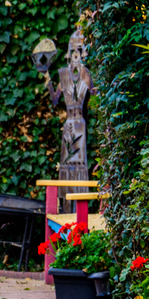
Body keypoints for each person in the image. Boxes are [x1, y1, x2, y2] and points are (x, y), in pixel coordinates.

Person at [43, 29, 94, 185]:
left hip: (79, 123)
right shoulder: (64, 74)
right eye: (73, 50)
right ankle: (65, 205)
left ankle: (77, 202)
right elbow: (55, 98)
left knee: (78, 165)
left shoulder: (85, 73)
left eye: (79, 50)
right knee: (66, 165)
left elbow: (95, 95)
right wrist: (46, 75)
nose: (75, 53)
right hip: (68, 124)